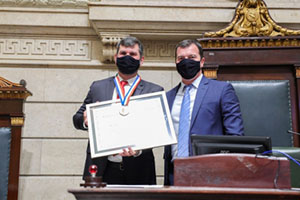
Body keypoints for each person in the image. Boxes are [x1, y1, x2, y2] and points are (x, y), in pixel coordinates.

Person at [73, 36, 163, 185]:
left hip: (139, 168)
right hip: (101, 168)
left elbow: (157, 130)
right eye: (123, 53)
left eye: (133, 54)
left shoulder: (154, 91)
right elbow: (76, 119)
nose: (127, 57)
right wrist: (87, 122)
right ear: (115, 58)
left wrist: (139, 149)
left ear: (141, 60)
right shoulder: (98, 87)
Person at [164, 39, 244, 185]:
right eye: (181, 58)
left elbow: (236, 137)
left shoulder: (221, 90)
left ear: (202, 61)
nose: (186, 62)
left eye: (192, 57)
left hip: (211, 175)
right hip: (174, 174)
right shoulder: (168, 97)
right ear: (176, 62)